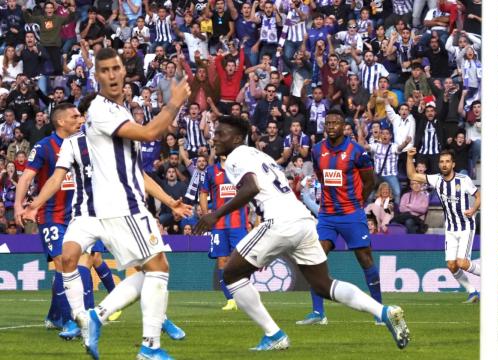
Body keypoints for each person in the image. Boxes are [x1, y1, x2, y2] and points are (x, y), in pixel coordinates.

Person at [194, 116, 409, 351]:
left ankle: (274, 335)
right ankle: (383, 311)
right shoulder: (259, 155)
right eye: (214, 133)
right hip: (303, 219)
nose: (214, 138)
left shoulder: (235, 157)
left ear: (236, 138)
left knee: (231, 275)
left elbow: (251, 188)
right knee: (323, 285)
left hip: (279, 222)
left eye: (220, 134)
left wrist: (215, 215)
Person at [56, 47, 189, 359]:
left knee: (153, 269)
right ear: (97, 76)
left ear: (124, 72)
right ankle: (149, 347)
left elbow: (135, 169)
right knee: (158, 269)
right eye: (105, 71)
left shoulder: (118, 110)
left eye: (116, 69)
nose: (112, 75)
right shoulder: (101, 111)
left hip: (121, 205)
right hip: (123, 205)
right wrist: (174, 102)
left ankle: (98, 316)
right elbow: (149, 133)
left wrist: (169, 200)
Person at [296, 109, 381, 325]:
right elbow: (321, 176)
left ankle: (379, 311)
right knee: (315, 257)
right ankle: (318, 313)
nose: (332, 126)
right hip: (327, 215)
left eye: (336, 123)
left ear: (344, 126)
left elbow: (370, 180)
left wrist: (358, 203)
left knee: (365, 259)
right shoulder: (317, 150)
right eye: (328, 123)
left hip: (351, 214)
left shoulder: (356, 151)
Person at [13, 103, 86, 339]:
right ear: (61, 122)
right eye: (74, 116)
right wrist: (18, 205)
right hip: (52, 215)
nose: (80, 119)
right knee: (63, 262)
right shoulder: (44, 147)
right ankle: (69, 322)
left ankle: (55, 315)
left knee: (71, 265)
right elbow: (27, 177)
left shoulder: (83, 143)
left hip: (78, 214)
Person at [407, 148, 481, 302]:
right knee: (452, 265)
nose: (444, 164)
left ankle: (492, 276)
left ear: (453, 164)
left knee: (462, 263)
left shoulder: (463, 180)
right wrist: (409, 157)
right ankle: (473, 292)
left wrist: (473, 209)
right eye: (441, 162)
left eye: (447, 161)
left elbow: (479, 195)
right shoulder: (437, 180)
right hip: (451, 228)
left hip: (465, 226)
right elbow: (412, 175)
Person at [199, 155, 249, 312]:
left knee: (241, 260)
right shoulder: (210, 171)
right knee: (222, 261)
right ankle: (230, 300)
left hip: (238, 223)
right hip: (219, 224)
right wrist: (206, 215)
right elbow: (203, 193)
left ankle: (243, 297)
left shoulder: (241, 168)